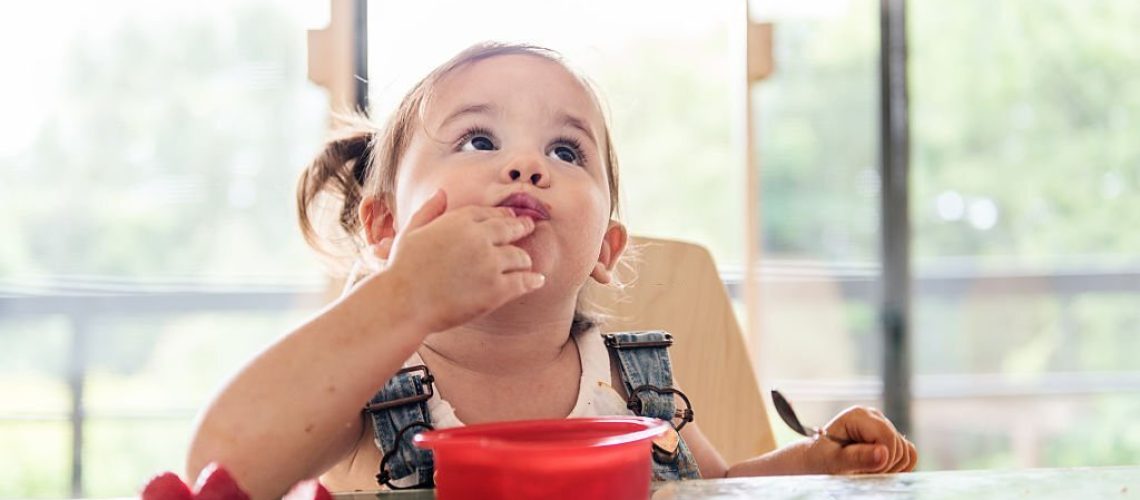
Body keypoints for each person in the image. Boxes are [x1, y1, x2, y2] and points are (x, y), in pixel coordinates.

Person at [187, 42, 917, 498]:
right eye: (477, 139)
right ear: (386, 228)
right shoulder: (368, 385)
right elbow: (217, 471)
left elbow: (715, 490)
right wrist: (400, 297)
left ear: (605, 248)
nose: (527, 165)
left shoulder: (629, 387)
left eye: (567, 153)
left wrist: (817, 463)